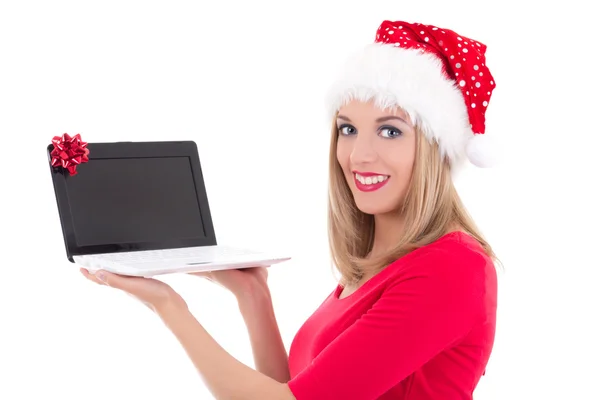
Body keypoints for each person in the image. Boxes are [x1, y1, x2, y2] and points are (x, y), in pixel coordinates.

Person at [81, 20, 499, 399]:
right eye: (348, 129)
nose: (359, 154)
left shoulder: (452, 267)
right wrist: (253, 296)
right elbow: (296, 390)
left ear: (433, 149)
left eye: (391, 130)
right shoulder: (378, 263)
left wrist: (168, 305)